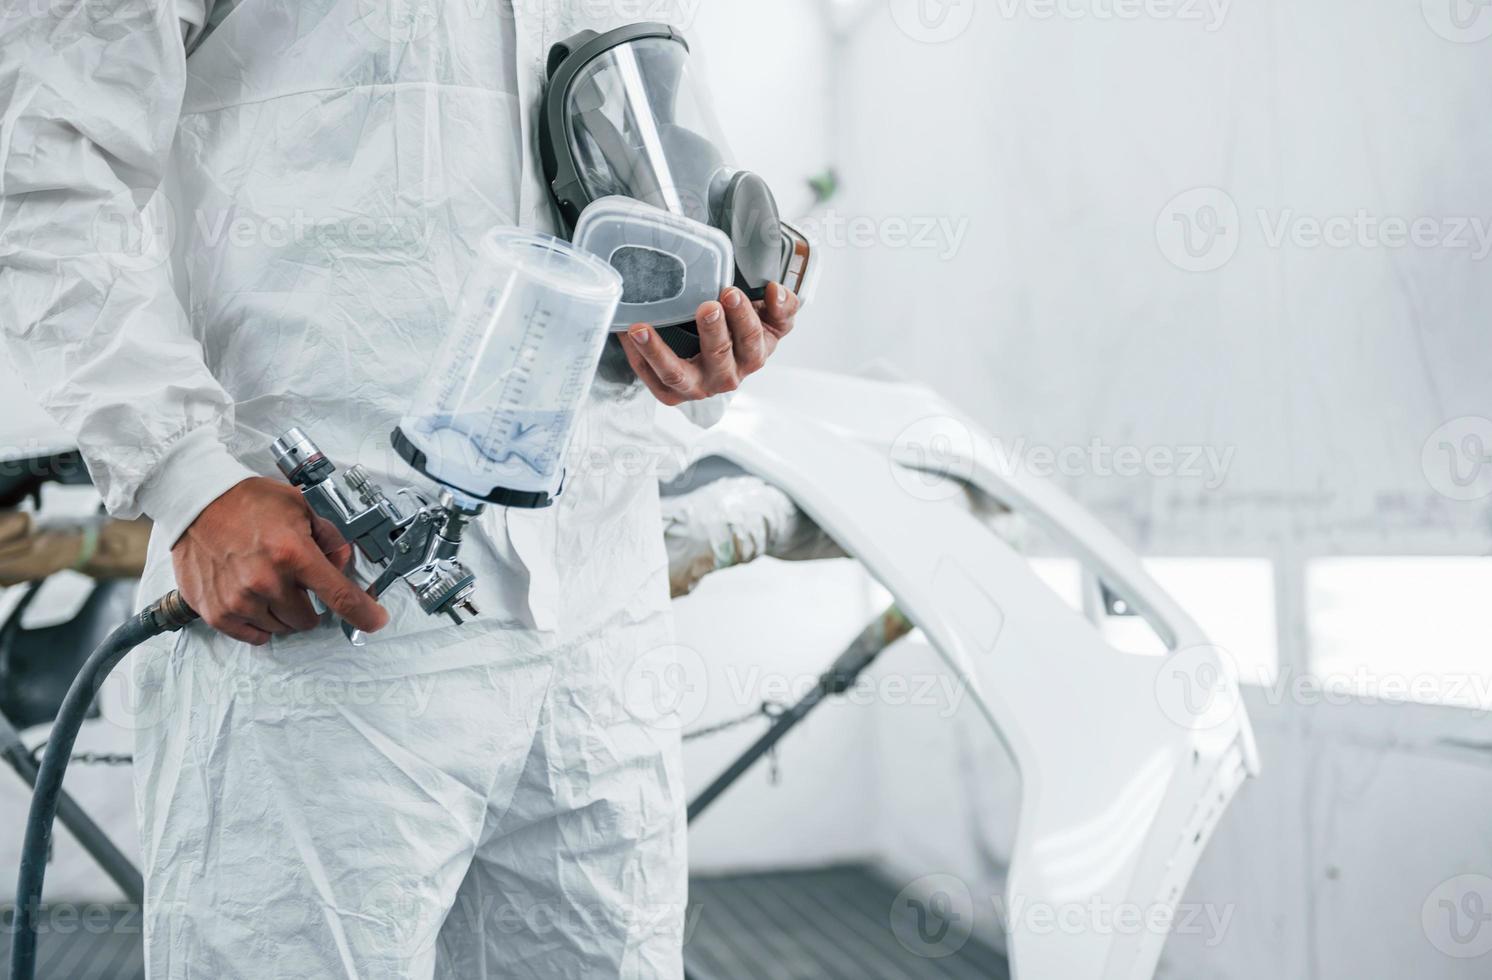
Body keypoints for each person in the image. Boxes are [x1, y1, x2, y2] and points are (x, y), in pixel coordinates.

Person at [0, 3, 799, 977]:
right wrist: (191, 480)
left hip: (598, 612)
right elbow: (39, 156)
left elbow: (634, 141)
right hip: (321, 605)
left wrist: (696, 333)